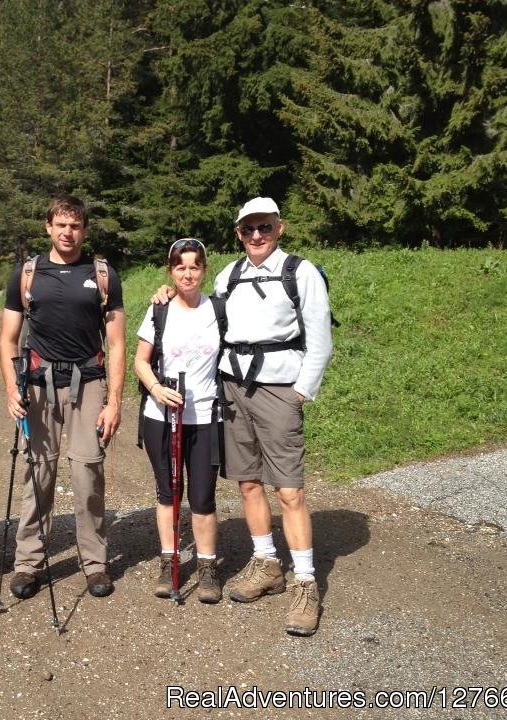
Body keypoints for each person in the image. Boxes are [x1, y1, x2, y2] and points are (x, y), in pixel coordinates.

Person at [0, 194, 126, 599]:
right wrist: (10, 387)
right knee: (39, 472)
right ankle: (28, 564)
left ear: (83, 230)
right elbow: (7, 339)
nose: (68, 232)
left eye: (75, 226)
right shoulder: (27, 273)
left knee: (88, 472)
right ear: (48, 227)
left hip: (88, 382)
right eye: (61, 225)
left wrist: (115, 401)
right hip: (38, 383)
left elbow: (118, 343)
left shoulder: (103, 274)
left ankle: (95, 564)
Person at [216, 196, 333, 636]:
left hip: (280, 388)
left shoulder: (300, 272)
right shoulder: (228, 274)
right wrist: (169, 293)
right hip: (233, 384)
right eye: (249, 229)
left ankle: (305, 581)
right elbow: (214, 323)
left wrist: (301, 391)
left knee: (288, 490)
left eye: (264, 227)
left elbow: (320, 336)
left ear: (279, 228)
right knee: (247, 481)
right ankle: (266, 562)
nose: (257, 235)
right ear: (239, 234)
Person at [134, 238, 223, 604]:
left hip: (204, 416)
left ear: (204, 270)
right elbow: (141, 361)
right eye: (180, 267)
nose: (188, 273)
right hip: (161, 416)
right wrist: (156, 389)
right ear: (170, 271)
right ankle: (168, 561)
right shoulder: (159, 310)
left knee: (202, 496)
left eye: (195, 266)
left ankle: (207, 568)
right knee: (167, 493)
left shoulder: (219, 309)